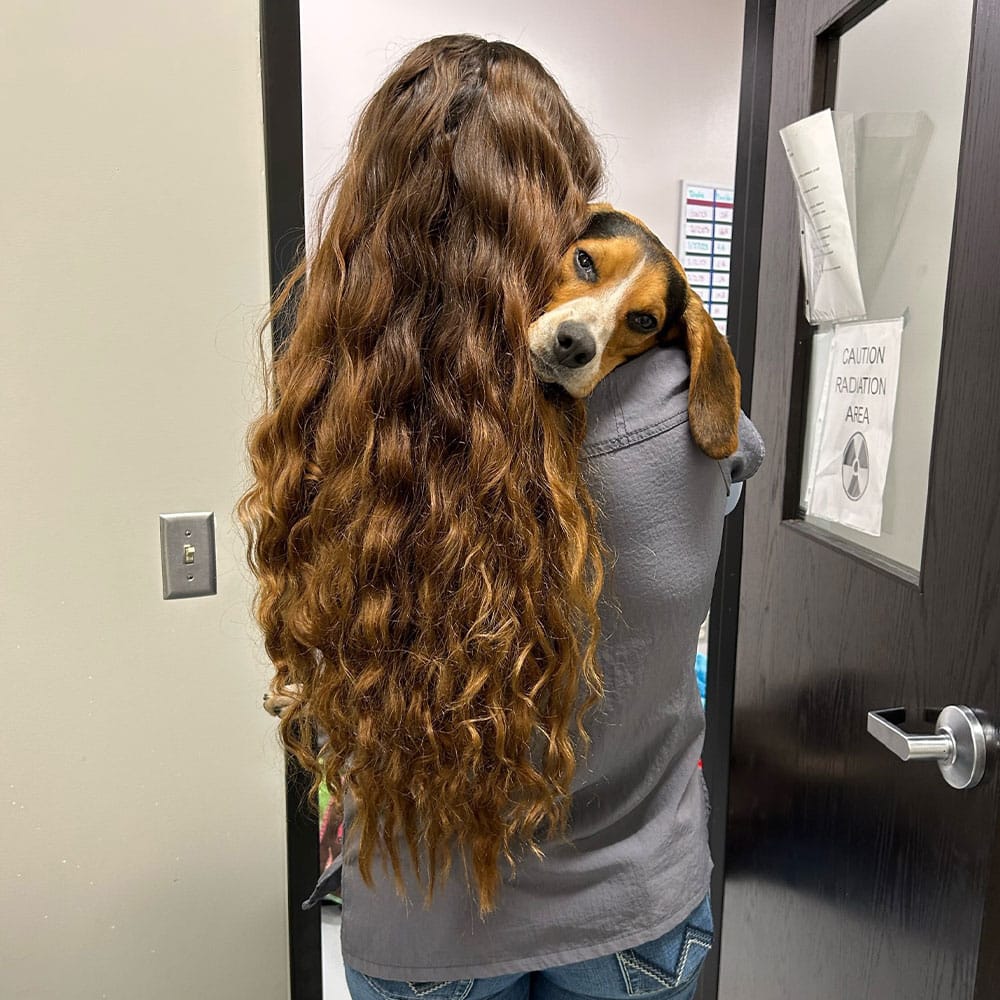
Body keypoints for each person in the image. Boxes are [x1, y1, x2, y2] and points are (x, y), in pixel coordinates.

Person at [238, 33, 763, 1000]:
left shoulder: (334, 431)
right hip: (633, 912)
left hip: (421, 923)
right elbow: (735, 450)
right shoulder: (694, 423)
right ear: (563, 210)